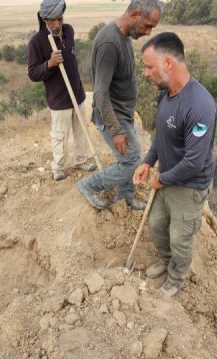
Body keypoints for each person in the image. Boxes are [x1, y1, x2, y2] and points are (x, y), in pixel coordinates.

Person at [133, 32, 217, 297]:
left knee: (180, 236)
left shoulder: (199, 105)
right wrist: (148, 162)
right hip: (167, 177)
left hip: (188, 185)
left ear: (168, 63)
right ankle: (165, 260)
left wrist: (162, 179)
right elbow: (161, 135)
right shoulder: (166, 95)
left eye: (149, 66)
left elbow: (194, 162)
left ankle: (177, 277)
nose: (146, 73)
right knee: (156, 224)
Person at [75, 0, 162, 210]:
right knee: (132, 163)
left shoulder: (123, 35)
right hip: (112, 117)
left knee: (133, 157)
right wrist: (116, 129)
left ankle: (125, 199)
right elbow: (101, 92)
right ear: (135, 14)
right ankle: (88, 185)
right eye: (147, 25)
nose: (148, 32)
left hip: (123, 114)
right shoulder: (109, 43)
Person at [28, 0, 98, 182]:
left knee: (81, 130)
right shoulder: (37, 41)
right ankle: (58, 167)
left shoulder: (69, 31)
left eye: (59, 19)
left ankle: (80, 161)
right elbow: (33, 73)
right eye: (52, 21)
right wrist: (49, 64)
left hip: (78, 94)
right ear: (44, 20)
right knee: (60, 135)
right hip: (58, 100)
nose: (57, 24)